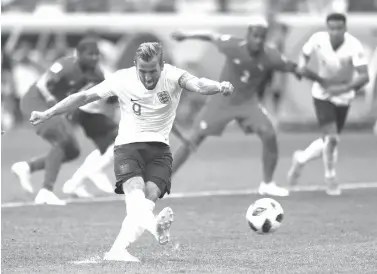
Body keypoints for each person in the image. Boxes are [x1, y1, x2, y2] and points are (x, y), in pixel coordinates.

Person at [29, 42, 234, 261]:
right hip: (129, 146)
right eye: (142, 71)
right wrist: (49, 112)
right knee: (135, 191)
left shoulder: (174, 76)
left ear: (162, 65)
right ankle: (156, 228)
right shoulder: (121, 78)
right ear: (135, 65)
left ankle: (117, 250)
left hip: (160, 150)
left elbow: (200, 85)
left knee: (149, 197)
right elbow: (84, 97)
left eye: (152, 71)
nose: (147, 77)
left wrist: (220, 86)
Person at [170, 17, 322, 197]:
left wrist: (320, 80)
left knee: (269, 133)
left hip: (247, 103)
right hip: (222, 101)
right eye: (255, 36)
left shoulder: (270, 56)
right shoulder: (233, 46)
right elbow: (211, 36)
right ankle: (163, 180)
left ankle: (267, 183)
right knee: (194, 138)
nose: (258, 40)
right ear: (249, 34)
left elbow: (295, 68)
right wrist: (187, 35)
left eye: (261, 37)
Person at [11, 38, 111, 204]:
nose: (94, 57)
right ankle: (46, 190)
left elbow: (91, 94)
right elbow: (43, 83)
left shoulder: (97, 74)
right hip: (37, 102)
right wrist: (51, 100)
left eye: (96, 54)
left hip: (56, 108)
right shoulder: (66, 65)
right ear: (79, 54)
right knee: (62, 139)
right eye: (90, 54)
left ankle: (27, 167)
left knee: (72, 151)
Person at [287, 13, 369, 195]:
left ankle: (300, 159)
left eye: (339, 28)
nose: (335, 32)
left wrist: (343, 89)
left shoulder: (353, 46)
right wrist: (302, 66)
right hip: (322, 94)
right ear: (327, 28)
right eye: (332, 28)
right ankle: (330, 177)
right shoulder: (318, 40)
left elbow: (364, 76)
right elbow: (305, 54)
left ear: (345, 29)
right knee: (332, 138)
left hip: (343, 95)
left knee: (329, 140)